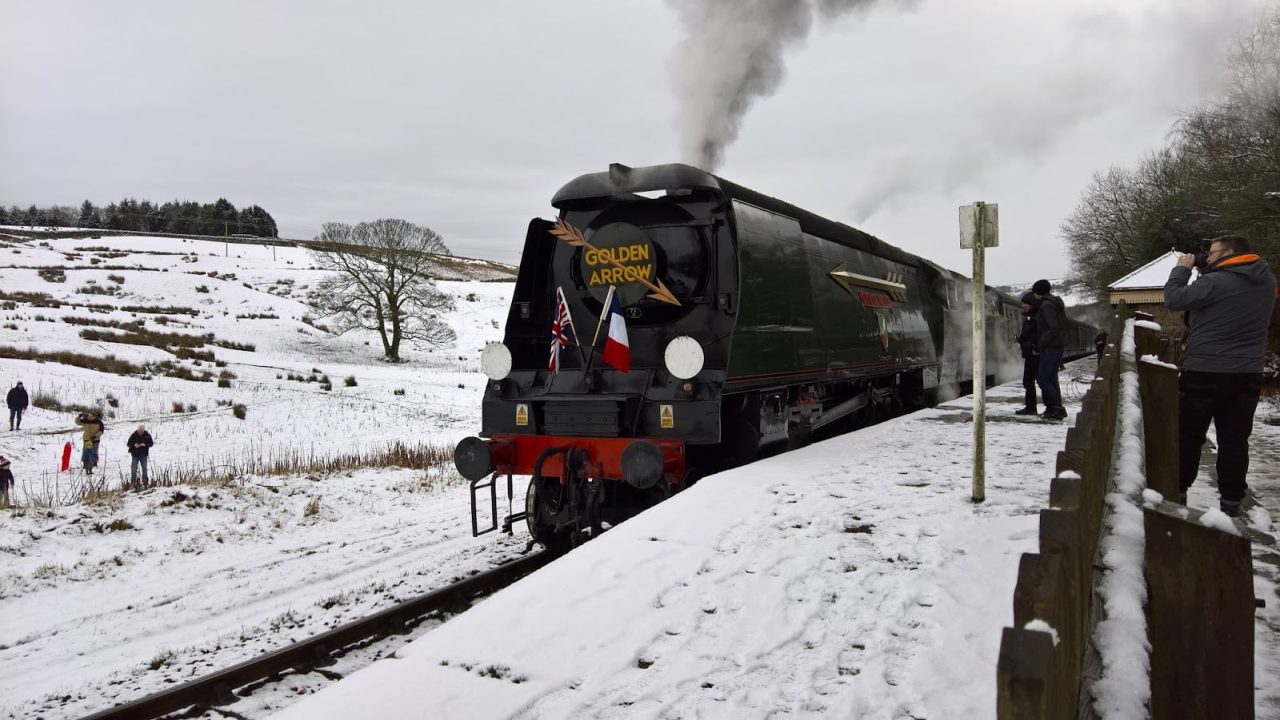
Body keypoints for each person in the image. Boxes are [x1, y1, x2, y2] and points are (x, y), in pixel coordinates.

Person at [1165, 234, 1277, 517]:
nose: (1208, 257)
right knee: (1234, 440)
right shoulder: (1267, 282)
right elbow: (1229, 299)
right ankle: (1231, 503)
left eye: (1212, 253)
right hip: (1247, 374)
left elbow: (1174, 299)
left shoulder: (1214, 283)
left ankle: (1177, 493)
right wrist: (1207, 269)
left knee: (1189, 436)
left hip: (1204, 372)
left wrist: (1181, 270)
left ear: (1228, 253)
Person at [1031, 279, 1067, 420]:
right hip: (1055, 345)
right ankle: (1056, 408)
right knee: (1051, 379)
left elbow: (1052, 328)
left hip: (1051, 346)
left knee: (1043, 379)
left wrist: (1039, 346)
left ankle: (1055, 408)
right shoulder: (1053, 303)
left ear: (1037, 291)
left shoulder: (1046, 305)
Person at [1014, 292, 1040, 415]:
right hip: (1030, 353)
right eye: (1022, 303)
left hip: (1034, 353)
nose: (1023, 306)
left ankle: (1051, 407)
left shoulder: (1035, 318)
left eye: (1025, 303)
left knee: (1038, 381)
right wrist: (1020, 340)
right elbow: (1029, 336)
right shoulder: (1029, 318)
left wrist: (1035, 347)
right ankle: (1031, 407)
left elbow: (1038, 335)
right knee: (1028, 381)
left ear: (1031, 304)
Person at [76, 410, 104, 475]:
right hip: (87, 439)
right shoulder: (85, 420)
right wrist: (79, 417)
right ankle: (85, 464)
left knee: (94, 451)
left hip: (95, 440)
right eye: (89, 416)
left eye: (91, 416)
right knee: (86, 451)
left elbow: (101, 431)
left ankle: (94, 463)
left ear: (95, 416)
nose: (90, 417)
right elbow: (77, 422)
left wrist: (95, 436)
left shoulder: (99, 422)